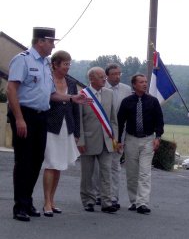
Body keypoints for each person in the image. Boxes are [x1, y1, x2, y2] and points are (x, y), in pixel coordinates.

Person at [6, 27, 90, 222]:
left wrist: (71, 98)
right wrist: (19, 118)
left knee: (36, 162)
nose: (53, 46)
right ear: (41, 41)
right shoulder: (23, 59)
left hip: (42, 116)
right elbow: (11, 89)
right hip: (25, 114)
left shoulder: (44, 63)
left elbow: (51, 94)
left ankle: (28, 202)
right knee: (24, 161)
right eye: (51, 42)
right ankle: (20, 206)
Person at [117, 74, 164, 214]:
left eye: (146, 82)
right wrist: (119, 140)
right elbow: (120, 122)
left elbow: (159, 120)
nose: (144, 84)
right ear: (134, 85)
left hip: (148, 140)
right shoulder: (127, 102)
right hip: (131, 139)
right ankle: (134, 201)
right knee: (132, 173)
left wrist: (158, 136)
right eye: (141, 82)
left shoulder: (153, 101)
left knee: (144, 172)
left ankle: (142, 202)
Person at [42, 50, 80, 217]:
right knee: (51, 163)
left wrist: (77, 131)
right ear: (55, 65)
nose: (67, 67)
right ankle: (46, 203)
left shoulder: (71, 83)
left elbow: (75, 108)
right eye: (65, 64)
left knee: (59, 166)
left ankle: (52, 199)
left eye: (69, 64)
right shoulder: (46, 79)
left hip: (67, 127)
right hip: (50, 127)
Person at [78, 67, 118, 213]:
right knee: (87, 174)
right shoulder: (82, 95)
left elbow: (113, 120)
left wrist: (115, 139)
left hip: (107, 140)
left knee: (106, 172)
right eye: (101, 77)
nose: (104, 79)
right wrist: (80, 140)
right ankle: (88, 201)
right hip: (88, 140)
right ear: (92, 79)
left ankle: (107, 202)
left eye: (104, 77)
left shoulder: (109, 93)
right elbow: (79, 121)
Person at [92, 63, 131, 208]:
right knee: (98, 165)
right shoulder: (100, 88)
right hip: (100, 132)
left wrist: (121, 137)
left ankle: (113, 196)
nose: (117, 76)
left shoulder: (126, 90)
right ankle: (98, 195)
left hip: (118, 134)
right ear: (107, 76)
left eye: (119, 73)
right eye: (114, 74)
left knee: (115, 165)